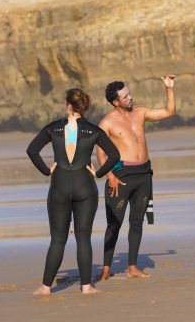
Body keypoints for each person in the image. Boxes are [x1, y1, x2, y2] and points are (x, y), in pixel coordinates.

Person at [26, 88, 120, 295]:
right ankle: (86, 286)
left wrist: (46, 170)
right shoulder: (94, 130)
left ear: (68, 105)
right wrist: (99, 173)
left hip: (59, 186)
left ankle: (45, 287)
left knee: (58, 239)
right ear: (84, 107)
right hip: (84, 186)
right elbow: (114, 155)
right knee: (83, 237)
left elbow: (32, 150)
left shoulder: (53, 128)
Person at [97, 75, 177, 280]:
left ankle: (132, 267)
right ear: (116, 101)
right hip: (121, 175)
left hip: (143, 174)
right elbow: (100, 152)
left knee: (137, 221)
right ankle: (106, 267)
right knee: (114, 223)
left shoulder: (140, 113)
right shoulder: (107, 122)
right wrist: (109, 175)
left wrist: (169, 89)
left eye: (129, 93)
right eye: (125, 96)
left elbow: (169, 111)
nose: (130, 98)